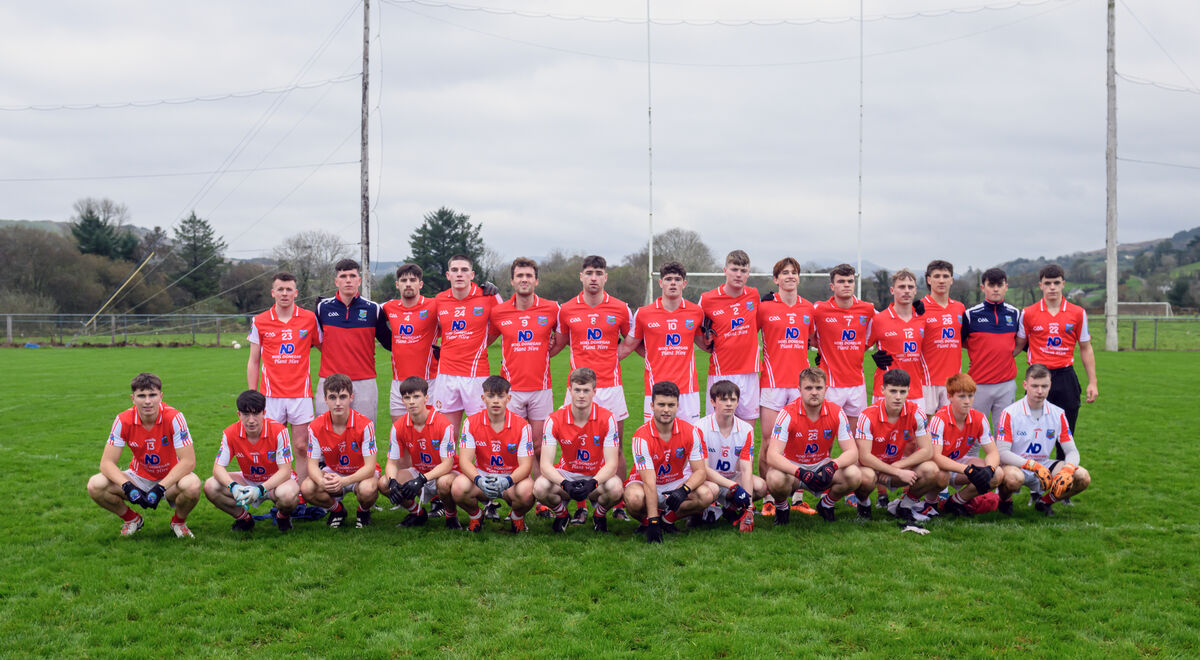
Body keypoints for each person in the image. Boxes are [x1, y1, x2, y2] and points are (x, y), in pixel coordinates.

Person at [553, 255, 634, 520]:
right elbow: (562, 341)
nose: (594, 278)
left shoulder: (621, 308)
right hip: (575, 388)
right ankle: (579, 505)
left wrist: (613, 358)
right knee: (574, 447)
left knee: (617, 446)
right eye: (589, 273)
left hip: (611, 387)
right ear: (581, 276)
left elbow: (630, 340)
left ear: (605, 277)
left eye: (599, 273)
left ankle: (618, 504)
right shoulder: (566, 309)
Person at [86, 373, 201, 538]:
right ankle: (132, 519)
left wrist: (160, 488)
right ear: (133, 398)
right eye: (142, 396)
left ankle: (178, 522)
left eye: (152, 395)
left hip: (170, 479)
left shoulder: (175, 417)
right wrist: (127, 486)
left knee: (193, 485)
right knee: (95, 484)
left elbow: (188, 462)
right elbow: (106, 464)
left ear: (161, 396)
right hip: (138, 478)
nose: (147, 401)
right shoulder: (123, 420)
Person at [489, 257, 560, 520]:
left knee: (540, 445)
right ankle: (503, 497)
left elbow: (561, 338)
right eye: (519, 275)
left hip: (541, 388)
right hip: (511, 391)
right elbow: (485, 337)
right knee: (509, 446)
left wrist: (545, 354)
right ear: (512, 280)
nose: (524, 279)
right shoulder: (499, 312)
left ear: (536, 280)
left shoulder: (552, 309)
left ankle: (539, 497)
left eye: (529, 275)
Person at [247, 271, 321, 482]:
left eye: (289, 289)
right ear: (273, 293)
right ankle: (277, 495)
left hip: (301, 394)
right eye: (280, 289)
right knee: (272, 447)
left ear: (296, 293)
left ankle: (301, 494)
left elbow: (325, 349)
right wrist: (253, 395)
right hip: (270, 396)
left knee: (301, 445)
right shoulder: (260, 321)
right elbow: (253, 360)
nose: (285, 293)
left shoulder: (308, 318)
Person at [622, 381, 717, 543]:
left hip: (675, 483)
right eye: (661, 404)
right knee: (634, 498)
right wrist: (652, 522)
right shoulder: (641, 437)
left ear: (678, 406)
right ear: (652, 405)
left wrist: (684, 490)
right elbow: (649, 482)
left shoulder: (691, 431)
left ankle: (667, 520)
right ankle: (648, 521)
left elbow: (700, 471)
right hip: (646, 484)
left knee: (710, 491)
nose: (666, 410)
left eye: (671, 405)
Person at [764, 367, 861, 523]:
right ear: (799, 390)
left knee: (854, 474)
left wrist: (833, 465)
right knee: (774, 478)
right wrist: (800, 472)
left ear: (826, 389)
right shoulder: (787, 413)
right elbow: (772, 455)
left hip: (822, 467)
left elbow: (852, 452)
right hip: (793, 469)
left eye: (818, 388)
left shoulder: (837, 412)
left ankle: (826, 505)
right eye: (808, 388)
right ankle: (782, 508)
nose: (814, 392)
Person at [533, 368, 623, 533]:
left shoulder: (607, 418)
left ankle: (599, 515)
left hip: (595, 476)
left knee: (616, 487)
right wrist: (564, 483)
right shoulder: (554, 419)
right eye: (577, 390)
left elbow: (611, 464)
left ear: (594, 392)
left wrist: (592, 483)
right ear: (570, 391)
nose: (581, 395)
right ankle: (562, 514)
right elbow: (545, 465)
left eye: (586, 390)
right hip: (567, 475)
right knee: (539, 487)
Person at [756, 257, 817, 499]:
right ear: (776, 279)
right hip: (772, 383)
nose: (790, 276)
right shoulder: (764, 307)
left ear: (799, 277)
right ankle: (769, 497)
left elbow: (814, 339)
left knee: (796, 441)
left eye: (794, 272)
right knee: (770, 441)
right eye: (785, 273)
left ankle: (797, 496)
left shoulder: (809, 308)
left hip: (800, 385)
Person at [995, 364, 1092, 516]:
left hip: (1044, 465)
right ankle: (1004, 501)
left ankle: (1045, 502)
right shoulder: (1010, 413)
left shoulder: (1058, 413)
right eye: (1035, 386)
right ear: (1025, 385)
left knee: (1082, 477)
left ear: (1050, 386)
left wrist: (1067, 469)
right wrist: (1032, 465)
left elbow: (1072, 451)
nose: (1039, 391)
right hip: (1017, 465)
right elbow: (1002, 452)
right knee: (1014, 478)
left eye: (1044, 386)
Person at [618, 261, 707, 425]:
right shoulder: (644, 313)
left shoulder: (696, 312)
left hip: (688, 391)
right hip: (655, 391)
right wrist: (600, 355)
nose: (673, 283)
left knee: (690, 441)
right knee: (656, 442)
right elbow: (628, 346)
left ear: (684, 283)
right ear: (660, 283)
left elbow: (706, 346)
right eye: (668, 279)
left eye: (677, 279)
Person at [1017, 264, 1098, 435]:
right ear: (1040, 285)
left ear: (1063, 284)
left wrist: (1093, 382)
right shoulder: (1028, 313)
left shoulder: (1077, 313)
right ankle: (1032, 463)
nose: (1052, 287)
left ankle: (1064, 462)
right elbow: (1018, 345)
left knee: (1065, 434)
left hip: (1065, 377)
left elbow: (1086, 348)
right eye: (1047, 283)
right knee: (1032, 433)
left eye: (1056, 282)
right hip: (1037, 376)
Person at [203, 390, 300, 532]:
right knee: (210, 486)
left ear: (264, 413)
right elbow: (218, 468)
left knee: (288, 496)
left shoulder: (279, 431)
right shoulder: (230, 433)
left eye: (255, 413)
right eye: (246, 414)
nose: (251, 420)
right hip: (248, 480)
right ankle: (244, 519)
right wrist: (233, 486)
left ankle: (282, 516)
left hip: (276, 482)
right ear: (238, 415)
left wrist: (261, 489)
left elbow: (285, 472)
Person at [429, 254, 503, 439]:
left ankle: (479, 469)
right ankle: (450, 468)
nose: (459, 274)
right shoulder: (439, 300)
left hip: (476, 376)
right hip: (446, 374)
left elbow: (499, 327)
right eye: (454, 270)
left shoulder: (488, 297)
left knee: (479, 432)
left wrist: (478, 345)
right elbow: (432, 330)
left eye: (464, 270)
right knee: (447, 433)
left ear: (472, 274)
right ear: (448, 275)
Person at [852, 369, 940, 523]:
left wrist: (899, 465)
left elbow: (927, 450)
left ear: (908, 391)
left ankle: (905, 506)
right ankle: (863, 504)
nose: (898, 397)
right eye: (893, 391)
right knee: (865, 477)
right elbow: (864, 456)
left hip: (896, 466)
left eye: (902, 391)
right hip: (872, 468)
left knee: (931, 470)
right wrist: (895, 471)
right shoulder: (867, 415)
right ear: (883, 390)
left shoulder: (916, 412)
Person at [451, 376, 536, 532]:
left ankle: (517, 518)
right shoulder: (471, 422)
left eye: (500, 396)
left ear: (508, 398)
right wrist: (478, 480)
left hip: (511, 477)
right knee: (458, 487)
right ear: (483, 398)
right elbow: (465, 461)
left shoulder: (522, 425)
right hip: (484, 475)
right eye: (491, 396)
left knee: (528, 492)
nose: (496, 400)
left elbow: (526, 466)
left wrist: (507, 481)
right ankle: (476, 516)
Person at [313, 259, 390, 423]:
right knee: (325, 435)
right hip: (329, 379)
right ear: (336, 281)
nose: (348, 280)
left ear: (359, 280)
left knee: (364, 435)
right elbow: (314, 340)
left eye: (352, 275)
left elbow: (389, 342)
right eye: (343, 276)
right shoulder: (322, 308)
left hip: (364, 382)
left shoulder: (373, 309)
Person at [378, 377, 459, 528]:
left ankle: (451, 516)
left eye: (416, 397)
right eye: (407, 398)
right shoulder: (398, 426)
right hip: (419, 471)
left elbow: (447, 464)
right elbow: (391, 463)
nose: (412, 402)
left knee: (444, 483)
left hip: (444, 473)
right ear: (402, 400)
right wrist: (393, 481)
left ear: (426, 398)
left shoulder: (443, 424)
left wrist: (421, 479)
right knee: (384, 483)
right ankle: (418, 513)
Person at [301, 374, 379, 529]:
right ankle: (337, 511)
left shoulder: (365, 425)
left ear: (351, 397)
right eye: (332, 397)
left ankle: (363, 511)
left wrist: (343, 482)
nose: (337, 403)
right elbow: (312, 466)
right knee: (307, 488)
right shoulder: (315, 426)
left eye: (342, 397)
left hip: (360, 473)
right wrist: (323, 482)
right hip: (333, 471)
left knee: (367, 489)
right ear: (325, 399)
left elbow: (370, 468)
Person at [811, 264, 876, 431]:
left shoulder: (867, 309)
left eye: (850, 281)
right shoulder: (819, 310)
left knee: (857, 438)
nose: (846, 285)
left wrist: (918, 309)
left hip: (857, 385)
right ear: (832, 286)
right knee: (825, 436)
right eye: (841, 281)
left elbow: (891, 320)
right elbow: (804, 328)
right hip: (830, 384)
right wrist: (823, 348)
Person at [927, 374, 1003, 517]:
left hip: (957, 463)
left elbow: (993, 452)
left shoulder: (979, 418)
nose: (967, 401)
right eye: (962, 396)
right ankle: (929, 504)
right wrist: (968, 470)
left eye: (971, 396)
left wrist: (990, 468)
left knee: (996, 474)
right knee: (941, 475)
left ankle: (955, 502)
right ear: (949, 396)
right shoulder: (939, 419)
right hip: (933, 466)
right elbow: (936, 457)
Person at [698, 249, 761, 424]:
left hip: (749, 372)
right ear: (725, 270)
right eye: (734, 269)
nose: (739, 274)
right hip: (721, 372)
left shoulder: (754, 295)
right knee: (716, 428)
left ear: (748, 273)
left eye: (743, 270)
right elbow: (696, 331)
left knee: (747, 430)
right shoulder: (707, 299)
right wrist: (707, 346)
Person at [697, 380, 764, 532]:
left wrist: (748, 507)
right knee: (710, 491)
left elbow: (746, 470)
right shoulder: (700, 427)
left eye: (733, 400)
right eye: (724, 399)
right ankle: (699, 512)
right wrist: (733, 487)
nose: (729, 404)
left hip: (731, 478)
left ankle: (731, 510)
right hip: (708, 481)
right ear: (713, 401)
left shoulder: (746, 429)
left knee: (760, 486)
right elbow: (703, 469)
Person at [380, 263, 440, 423]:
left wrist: (490, 293)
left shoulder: (434, 305)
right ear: (397, 284)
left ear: (420, 284)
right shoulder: (388, 307)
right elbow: (365, 309)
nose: (408, 283)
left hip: (429, 380)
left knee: (429, 432)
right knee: (401, 433)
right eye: (403, 280)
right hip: (398, 381)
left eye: (412, 280)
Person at [962, 268, 1023, 423]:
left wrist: (1005, 356)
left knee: (1004, 435)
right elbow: (961, 343)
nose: (996, 289)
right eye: (991, 285)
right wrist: (981, 355)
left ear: (1006, 287)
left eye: (999, 285)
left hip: (1006, 385)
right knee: (973, 436)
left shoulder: (1015, 314)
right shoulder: (971, 315)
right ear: (983, 288)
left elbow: (1018, 343)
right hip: (978, 385)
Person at [867, 269, 930, 409]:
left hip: (915, 391)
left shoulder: (923, 319)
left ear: (915, 291)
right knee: (883, 430)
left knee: (917, 431)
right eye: (901, 287)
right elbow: (858, 348)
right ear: (892, 290)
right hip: (885, 391)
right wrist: (874, 356)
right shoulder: (878, 319)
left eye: (910, 287)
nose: (906, 291)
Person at [920, 260, 965, 416]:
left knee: (949, 428)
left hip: (953, 381)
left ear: (951, 280)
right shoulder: (918, 308)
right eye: (937, 276)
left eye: (945, 276)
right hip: (926, 380)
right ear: (928, 279)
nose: (941, 280)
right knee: (923, 430)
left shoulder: (959, 307)